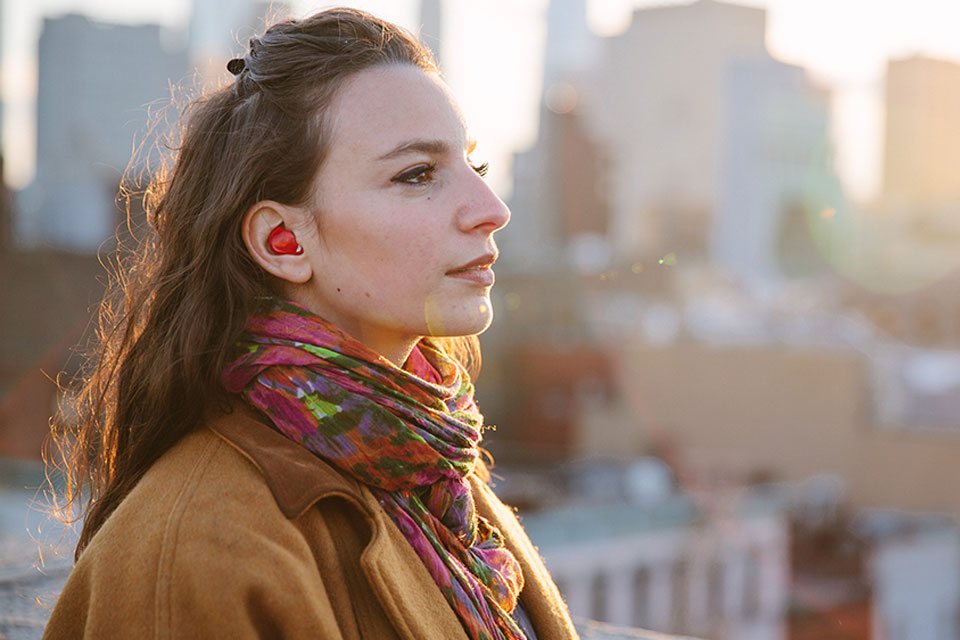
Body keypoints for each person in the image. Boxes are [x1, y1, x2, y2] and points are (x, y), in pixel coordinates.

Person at [43, 8, 579, 640]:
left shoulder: (436, 470)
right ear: (284, 241)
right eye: (417, 174)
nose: (492, 210)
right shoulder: (197, 548)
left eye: (475, 168)